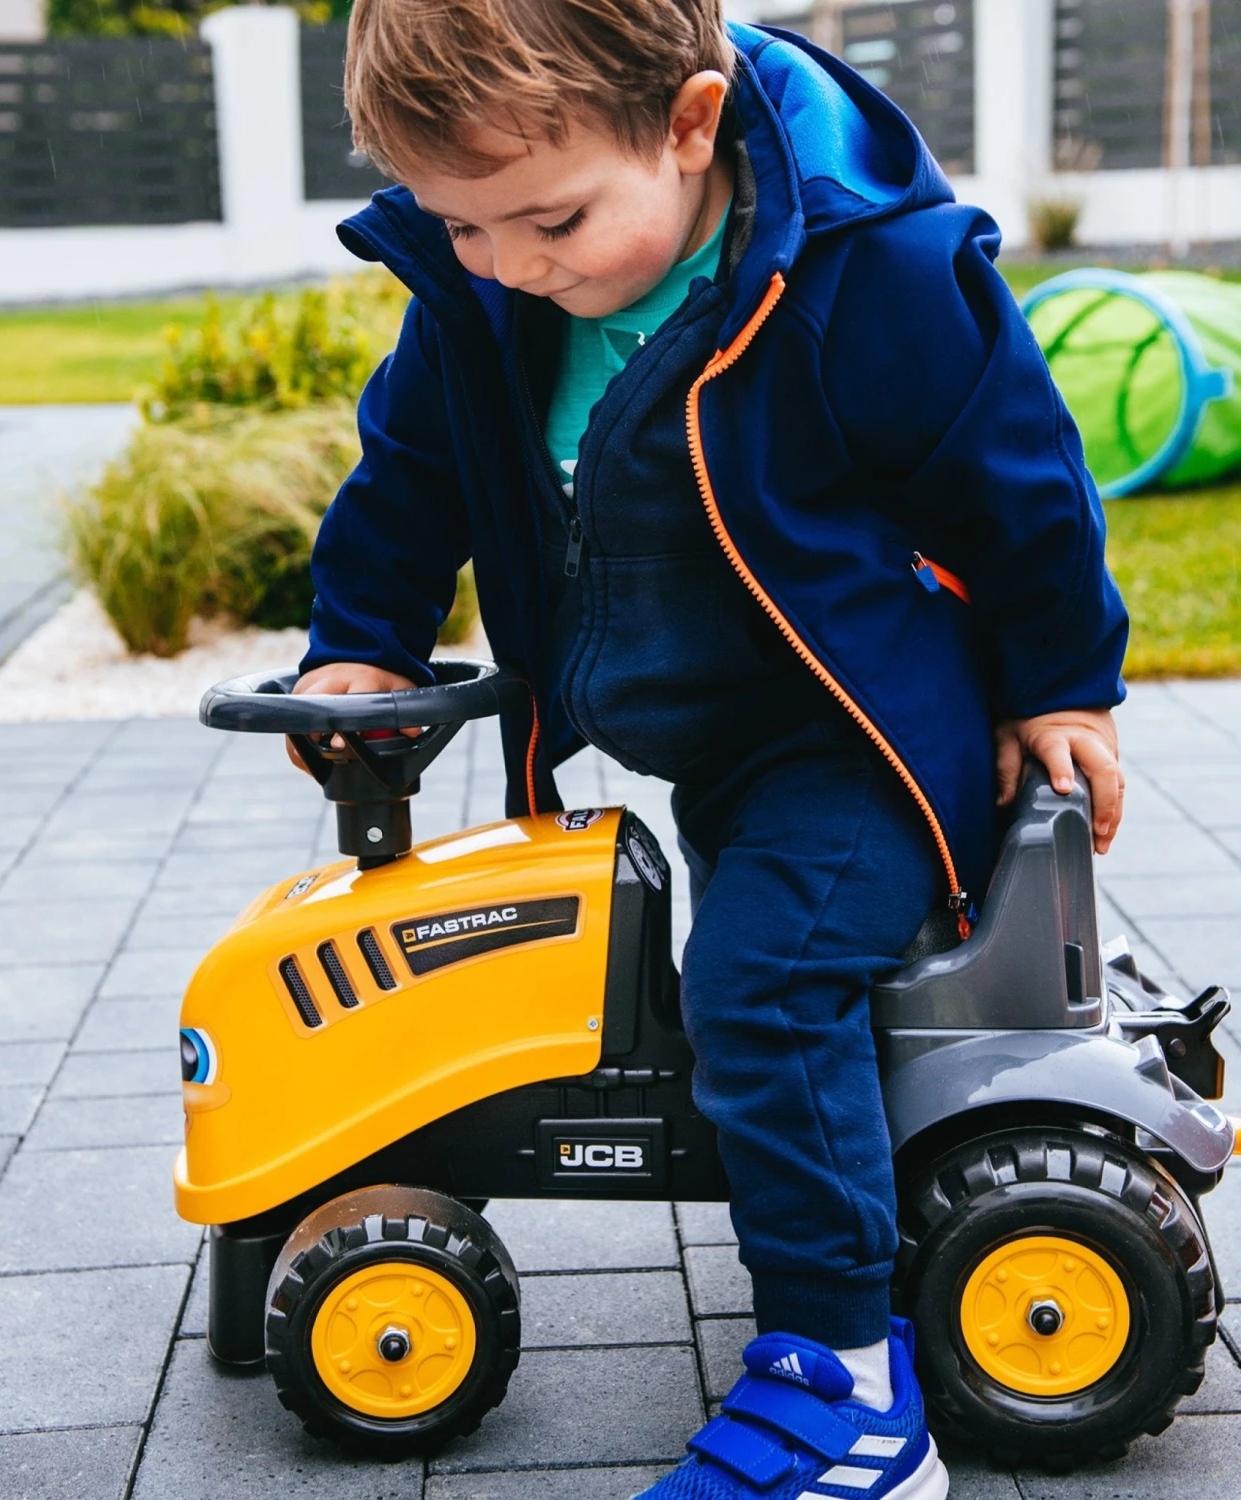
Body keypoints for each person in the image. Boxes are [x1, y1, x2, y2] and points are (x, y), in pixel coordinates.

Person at [292, 1, 1129, 1494]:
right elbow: (414, 471)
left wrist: (1061, 683)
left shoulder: (862, 270)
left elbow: (1017, 469)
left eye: (545, 223)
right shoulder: (487, 284)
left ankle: (845, 1391)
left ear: (688, 128)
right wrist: (362, 636)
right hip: (724, 748)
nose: (509, 267)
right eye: (465, 229)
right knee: (694, 964)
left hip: (860, 734)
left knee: (756, 988)